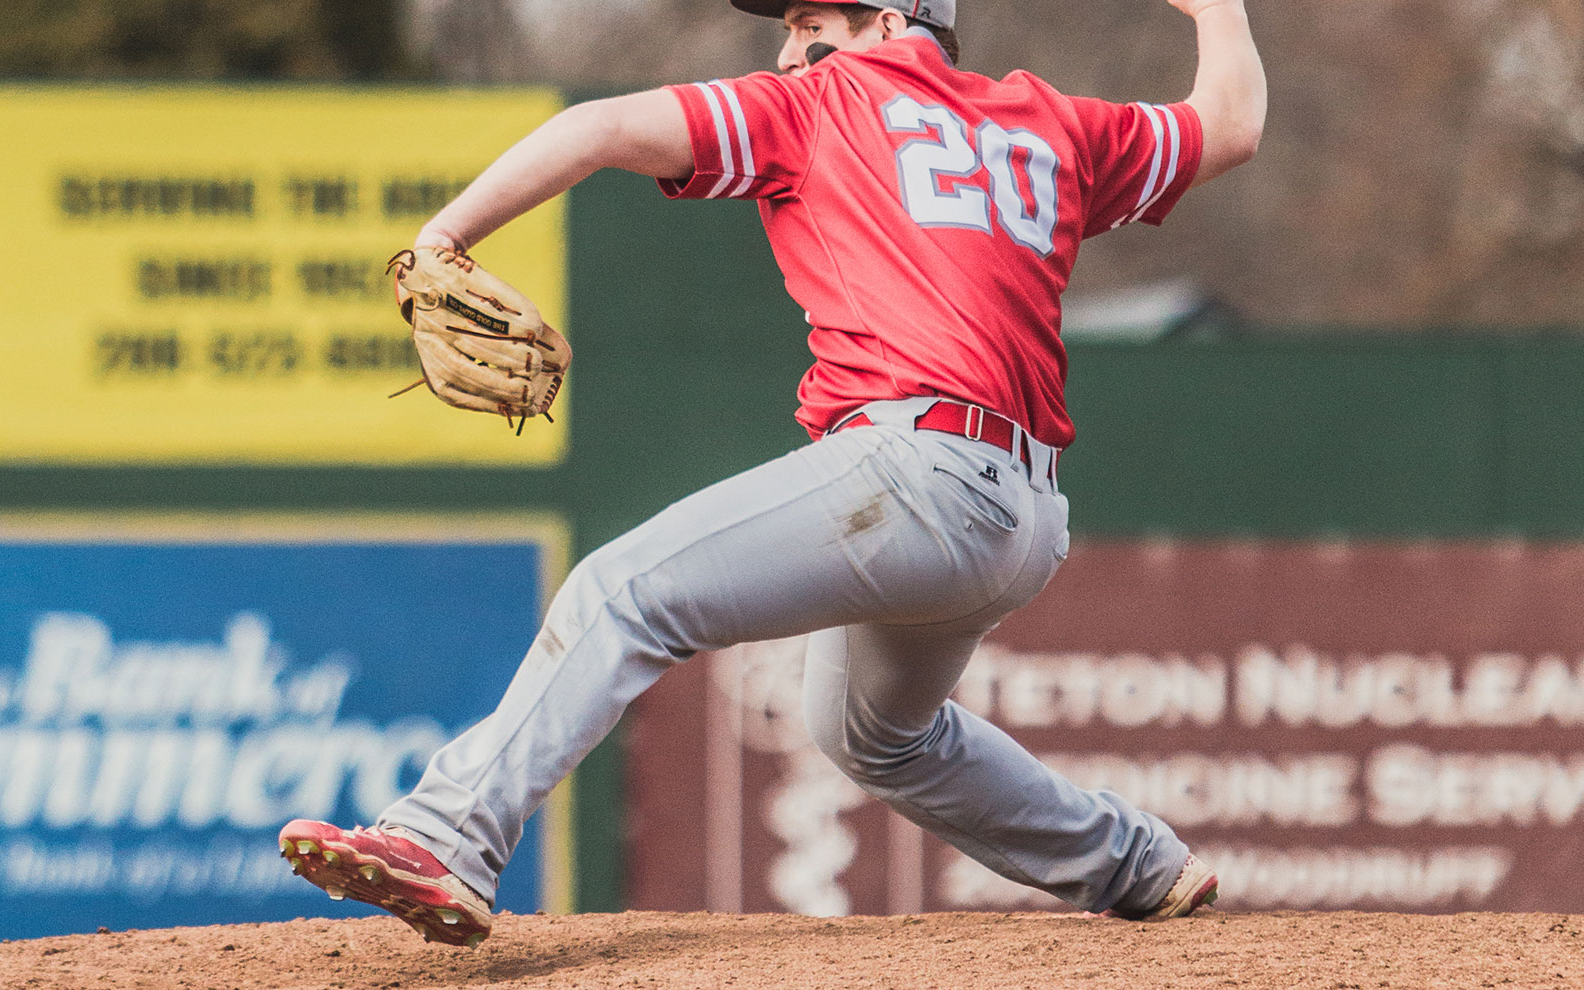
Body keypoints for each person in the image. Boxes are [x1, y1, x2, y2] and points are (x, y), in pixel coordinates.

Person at [280, 0, 1267, 946]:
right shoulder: (1051, 123)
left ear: (894, 24)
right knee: (875, 735)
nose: (793, 49)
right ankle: (1135, 864)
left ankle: (447, 836)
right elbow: (1228, 129)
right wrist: (1218, 10)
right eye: (791, 30)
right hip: (1023, 515)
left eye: (813, 25)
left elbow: (596, 129)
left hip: (917, 474)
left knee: (624, 588)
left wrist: (443, 237)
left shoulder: (820, 103)